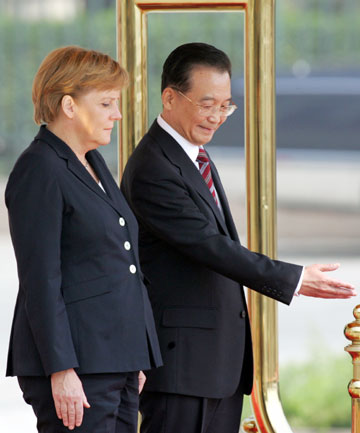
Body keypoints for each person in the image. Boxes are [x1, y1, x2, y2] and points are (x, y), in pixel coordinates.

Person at [120, 42, 356, 433]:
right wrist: (294, 278)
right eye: (206, 104)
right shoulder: (153, 166)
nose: (216, 117)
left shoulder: (192, 153)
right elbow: (209, 246)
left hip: (213, 366)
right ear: (169, 97)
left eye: (225, 106)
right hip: (183, 369)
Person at [5, 46, 162, 433]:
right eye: (107, 103)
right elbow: (41, 279)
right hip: (78, 365)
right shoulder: (39, 167)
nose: (118, 114)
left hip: (114, 359)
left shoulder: (91, 160)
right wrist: (61, 369)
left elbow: (117, 263)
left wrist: (134, 354)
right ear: (69, 106)